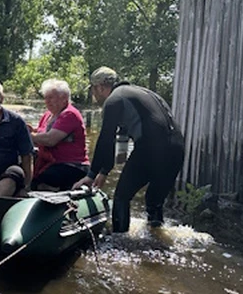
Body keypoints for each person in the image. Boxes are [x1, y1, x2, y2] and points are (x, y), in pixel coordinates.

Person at [72, 67, 185, 232]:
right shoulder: (141, 93)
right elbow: (121, 142)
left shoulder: (113, 101)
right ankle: (157, 239)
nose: (93, 94)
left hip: (150, 149)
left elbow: (105, 140)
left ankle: (120, 240)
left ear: (101, 87)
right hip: (177, 150)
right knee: (154, 201)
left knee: (121, 197)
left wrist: (91, 175)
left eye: (93, 89)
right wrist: (104, 171)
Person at [30, 79, 90, 190]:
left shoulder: (69, 114)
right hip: (52, 163)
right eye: (46, 97)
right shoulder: (48, 115)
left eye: (51, 98)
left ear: (64, 98)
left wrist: (26, 135)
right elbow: (39, 136)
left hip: (72, 165)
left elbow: (50, 140)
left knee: (43, 179)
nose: (47, 101)